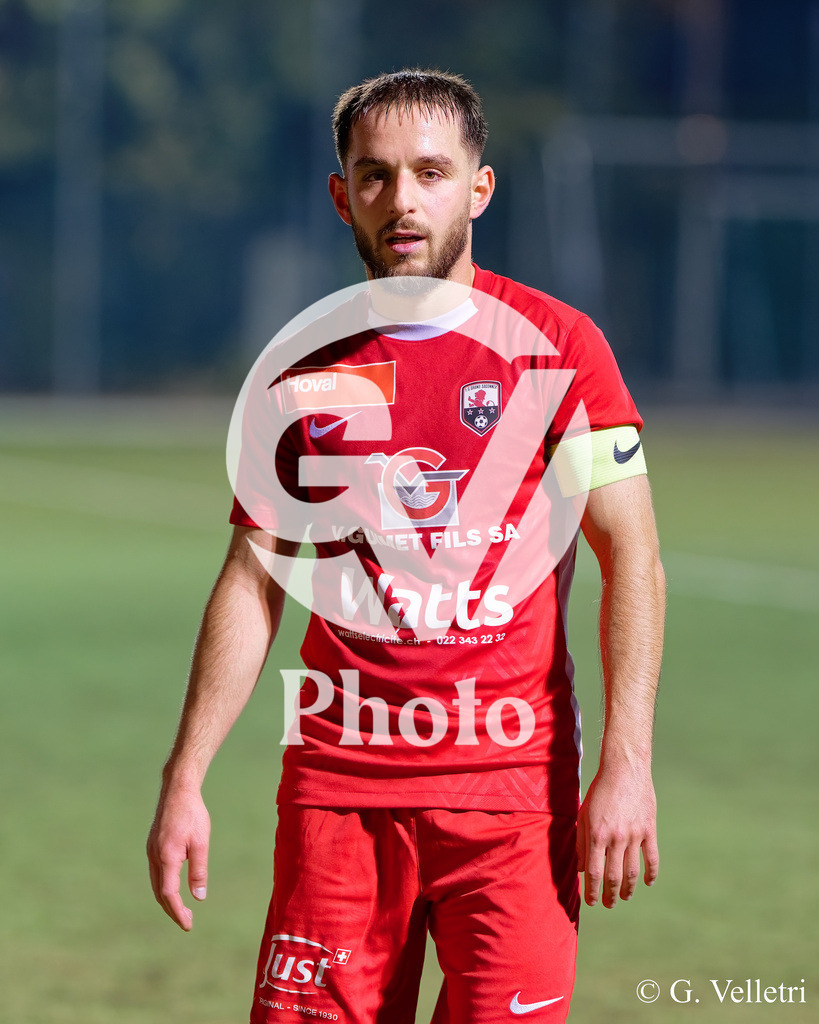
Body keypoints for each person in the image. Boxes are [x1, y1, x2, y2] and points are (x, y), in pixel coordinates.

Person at [147, 69, 665, 1024]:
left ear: (479, 187)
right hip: (337, 794)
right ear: (343, 193)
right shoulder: (305, 370)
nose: (403, 201)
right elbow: (252, 582)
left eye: (431, 172)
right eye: (375, 175)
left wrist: (625, 764)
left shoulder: (558, 346)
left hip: (513, 800)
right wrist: (185, 777)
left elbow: (629, 554)